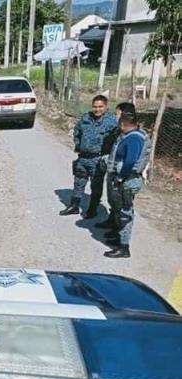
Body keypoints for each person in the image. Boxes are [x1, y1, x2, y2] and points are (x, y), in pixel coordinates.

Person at [60, 95, 118, 218]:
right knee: (78, 182)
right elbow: (77, 131)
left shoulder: (112, 121)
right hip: (83, 157)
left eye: (100, 107)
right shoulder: (86, 117)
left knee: (96, 185)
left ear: (106, 107)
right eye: (95, 107)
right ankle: (74, 206)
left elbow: (116, 140)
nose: (97, 110)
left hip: (98, 159)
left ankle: (92, 209)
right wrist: (78, 144)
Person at [103, 112, 149, 259]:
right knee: (120, 209)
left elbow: (130, 161)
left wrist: (121, 177)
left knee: (125, 213)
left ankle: (124, 248)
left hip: (128, 180)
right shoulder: (134, 135)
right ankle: (119, 237)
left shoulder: (134, 138)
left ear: (123, 124)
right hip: (126, 179)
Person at [94, 102, 136, 230]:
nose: (115, 116)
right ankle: (112, 221)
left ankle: (120, 234)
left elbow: (130, 159)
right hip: (114, 171)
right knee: (113, 199)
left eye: (117, 114)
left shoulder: (132, 134)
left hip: (124, 175)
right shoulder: (118, 130)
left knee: (123, 205)